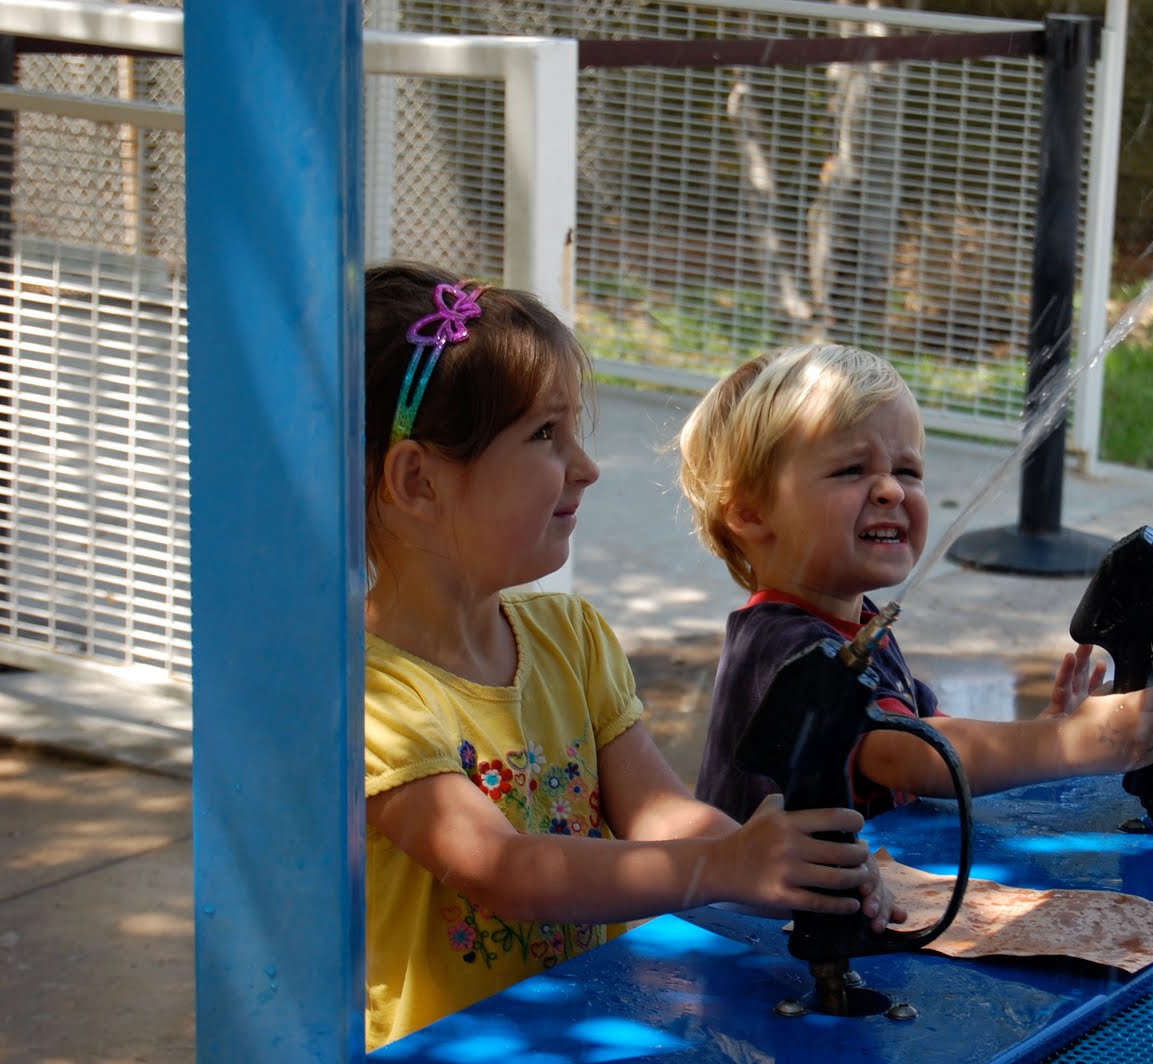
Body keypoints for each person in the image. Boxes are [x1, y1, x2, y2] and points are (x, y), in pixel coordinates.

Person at [361, 265, 897, 1050]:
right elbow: (504, 871)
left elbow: (657, 811)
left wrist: (781, 862)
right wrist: (721, 868)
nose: (586, 466)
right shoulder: (370, 693)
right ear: (418, 479)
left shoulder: (569, 637)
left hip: (583, 1028)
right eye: (545, 435)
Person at [675, 342, 1153, 824]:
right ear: (750, 513)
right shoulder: (780, 647)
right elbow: (910, 755)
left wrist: (1043, 729)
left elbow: (941, 737)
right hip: (764, 901)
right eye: (851, 469)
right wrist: (1065, 742)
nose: (890, 490)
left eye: (907, 471)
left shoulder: (857, 628)